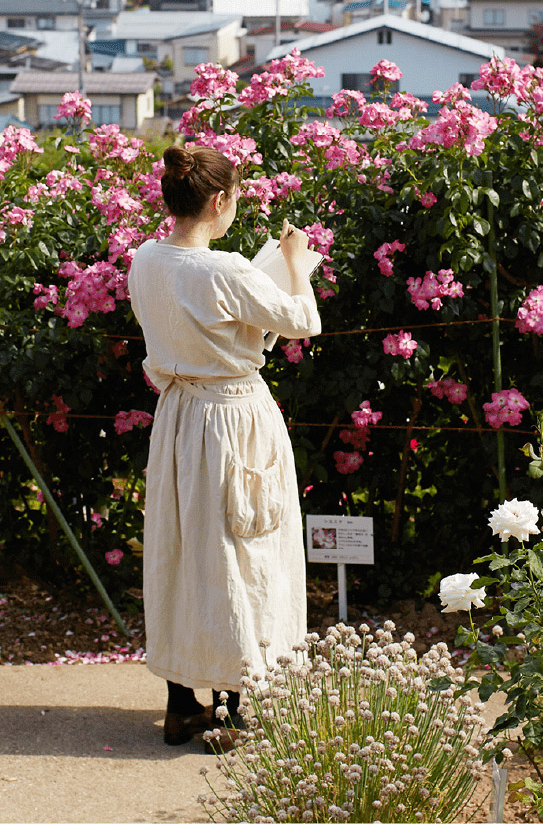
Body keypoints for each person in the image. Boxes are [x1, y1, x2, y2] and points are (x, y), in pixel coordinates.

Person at [126, 144, 321, 747]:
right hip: (235, 415)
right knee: (242, 549)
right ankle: (234, 704)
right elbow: (302, 321)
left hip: (179, 413)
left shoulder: (144, 262)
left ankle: (182, 703)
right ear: (219, 200)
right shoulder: (225, 269)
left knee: (183, 548)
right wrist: (294, 262)